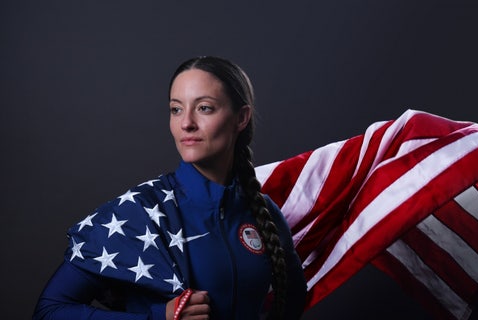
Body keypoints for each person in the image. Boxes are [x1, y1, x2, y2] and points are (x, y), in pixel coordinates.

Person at [33, 56, 308, 320]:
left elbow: (292, 301)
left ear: (241, 118)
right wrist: (157, 317)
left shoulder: (264, 213)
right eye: (176, 109)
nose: (186, 123)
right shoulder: (137, 212)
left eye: (204, 108)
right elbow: (49, 311)